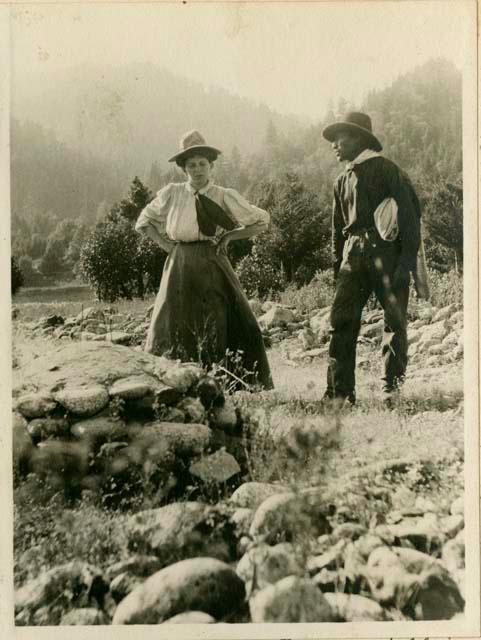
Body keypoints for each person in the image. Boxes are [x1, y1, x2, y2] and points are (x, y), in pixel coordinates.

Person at [135, 130, 273, 390]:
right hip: (179, 264)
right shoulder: (173, 193)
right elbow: (144, 222)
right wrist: (168, 246)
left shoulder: (222, 194)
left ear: (211, 166)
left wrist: (231, 236)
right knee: (171, 319)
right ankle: (172, 383)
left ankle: (223, 381)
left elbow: (261, 221)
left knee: (220, 318)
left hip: (212, 260)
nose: (197, 170)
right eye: (191, 165)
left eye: (202, 164)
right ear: (183, 169)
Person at [321, 112, 421, 406]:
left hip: (388, 255)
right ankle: (340, 394)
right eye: (334, 140)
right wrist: (337, 266)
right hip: (352, 258)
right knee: (341, 322)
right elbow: (337, 228)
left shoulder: (389, 171)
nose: (334, 145)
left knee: (395, 321)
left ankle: (391, 389)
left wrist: (405, 265)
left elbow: (411, 219)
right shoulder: (341, 180)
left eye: (342, 138)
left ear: (360, 138)